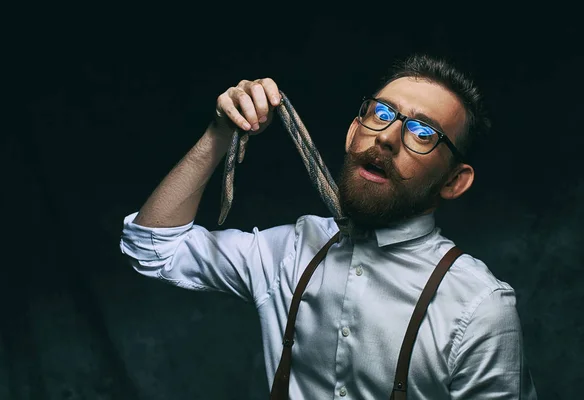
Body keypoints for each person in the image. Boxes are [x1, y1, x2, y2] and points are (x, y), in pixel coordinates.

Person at [119, 54, 537, 399]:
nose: (388, 137)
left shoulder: (479, 308)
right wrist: (221, 131)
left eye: (423, 131)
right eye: (382, 114)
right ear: (354, 131)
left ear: (454, 181)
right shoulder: (292, 250)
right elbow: (154, 248)